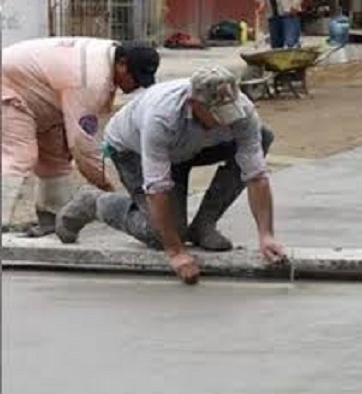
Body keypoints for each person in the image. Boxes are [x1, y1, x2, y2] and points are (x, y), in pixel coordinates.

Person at [55, 66, 287, 284]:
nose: (225, 120)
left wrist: (266, 235)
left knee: (262, 135)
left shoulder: (242, 112)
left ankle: (203, 225)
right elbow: (158, 189)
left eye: (229, 113)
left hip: (190, 148)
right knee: (162, 235)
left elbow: (256, 176)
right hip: (133, 150)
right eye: (218, 114)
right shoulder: (161, 118)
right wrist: (176, 252)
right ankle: (94, 202)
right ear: (194, 104)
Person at [1, 38, 159, 236]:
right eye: (135, 77)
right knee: (18, 156)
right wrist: (104, 184)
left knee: (55, 158)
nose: (136, 84)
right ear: (121, 64)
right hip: (9, 89)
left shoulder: (108, 55)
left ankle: (52, 217)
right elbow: (82, 144)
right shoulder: (91, 80)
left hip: (36, 91)